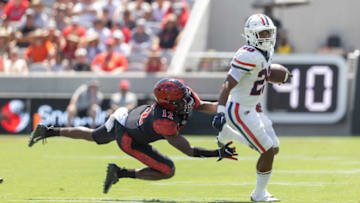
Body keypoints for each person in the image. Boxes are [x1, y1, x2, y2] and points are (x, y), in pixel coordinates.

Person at [28, 78, 238, 194]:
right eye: (180, 100)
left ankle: (49, 131)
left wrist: (226, 108)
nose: (186, 101)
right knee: (168, 170)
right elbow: (190, 151)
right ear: (168, 103)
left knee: (94, 136)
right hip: (129, 136)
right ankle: (119, 173)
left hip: (129, 116)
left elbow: (201, 105)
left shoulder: (184, 97)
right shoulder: (165, 122)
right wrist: (218, 152)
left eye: (184, 96)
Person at [211, 14, 280, 202]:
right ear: (250, 35)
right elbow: (227, 84)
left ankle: (229, 135)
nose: (266, 37)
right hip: (240, 110)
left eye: (269, 32)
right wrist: (220, 111)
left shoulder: (266, 51)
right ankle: (259, 195)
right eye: (262, 33)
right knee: (266, 151)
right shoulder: (247, 54)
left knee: (274, 148)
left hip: (253, 108)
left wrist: (277, 76)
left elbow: (262, 73)